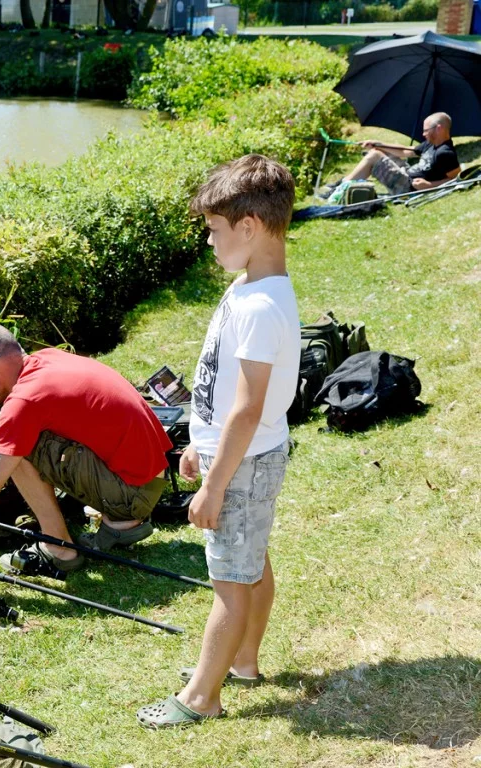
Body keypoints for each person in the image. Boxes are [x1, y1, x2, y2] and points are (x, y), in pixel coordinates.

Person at [136, 154, 299, 728]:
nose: (208, 240)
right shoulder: (248, 287)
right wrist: (201, 443)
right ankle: (246, 660)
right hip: (238, 456)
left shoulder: (261, 306)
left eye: (214, 229)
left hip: (244, 463)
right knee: (250, 559)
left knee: (229, 579)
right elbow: (223, 385)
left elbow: (250, 408)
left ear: (249, 227)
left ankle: (201, 696)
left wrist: (214, 485)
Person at [0, 322, 172, 572]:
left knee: (19, 448)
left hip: (132, 494)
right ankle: (119, 525)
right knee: (10, 434)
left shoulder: (25, 400)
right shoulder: (44, 361)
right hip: (148, 481)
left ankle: (59, 549)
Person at [320, 112, 460, 197]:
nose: (423, 134)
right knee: (378, 151)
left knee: (375, 156)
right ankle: (343, 183)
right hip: (405, 174)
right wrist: (379, 144)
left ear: (439, 129)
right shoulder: (431, 143)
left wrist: (429, 185)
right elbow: (407, 151)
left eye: (426, 130)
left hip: (407, 187)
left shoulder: (446, 153)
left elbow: (456, 179)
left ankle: (339, 188)